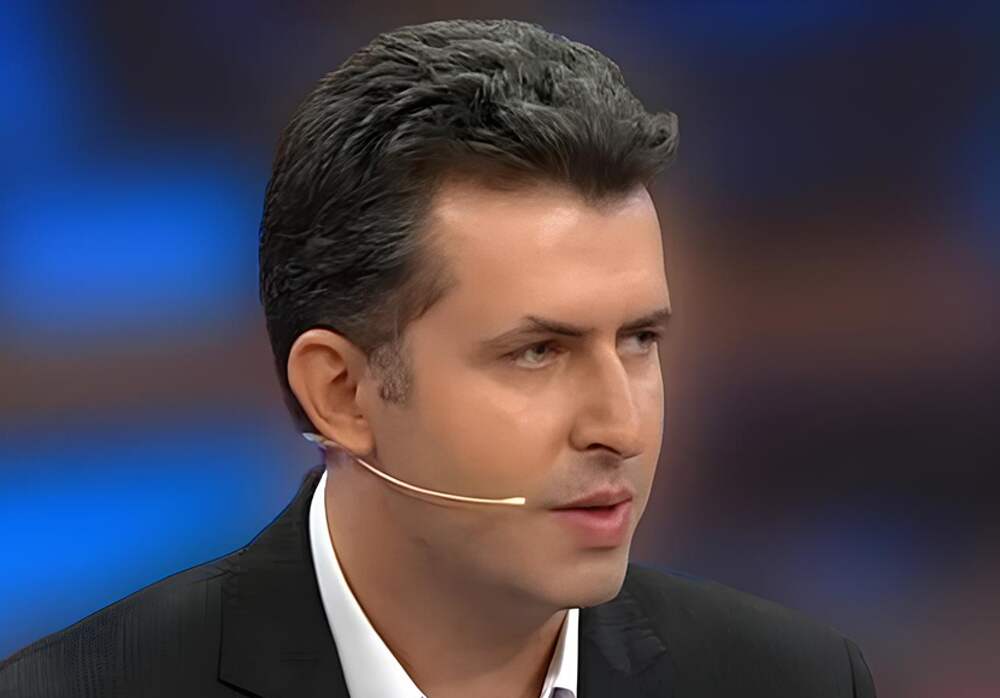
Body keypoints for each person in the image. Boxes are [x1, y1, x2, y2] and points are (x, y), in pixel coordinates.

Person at [0, 18, 875, 698]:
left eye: (639, 340)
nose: (622, 426)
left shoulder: (792, 681)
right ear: (341, 394)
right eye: (537, 352)